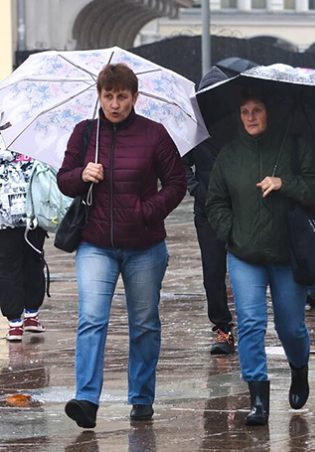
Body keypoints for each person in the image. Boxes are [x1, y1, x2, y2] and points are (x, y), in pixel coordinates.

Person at [57, 63, 186, 428]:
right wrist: (82, 175)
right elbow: (64, 180)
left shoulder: (154, 134)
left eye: (122, 96)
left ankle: (142, 397)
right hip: (95, 244)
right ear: (98, 96)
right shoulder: (84, 133)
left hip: (145, 246)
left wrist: (148, 211)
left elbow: (176, 182)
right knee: (91, 319)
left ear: (134, 97)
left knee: (144, 323)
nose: (115, 104)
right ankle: (86, 399)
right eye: (108, 96)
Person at [206, 91, 315, 426]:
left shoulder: (294, 146)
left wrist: (284, 183)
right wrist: (231, 231)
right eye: (244, 111)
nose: (250, 117)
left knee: (290, 326)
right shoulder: (230, 154)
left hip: (287, 253)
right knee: (249, 323)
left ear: (269, 113)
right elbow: (214, 201)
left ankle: (299, 368)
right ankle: (258, 399)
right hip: (244, 253)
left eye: (256, 110)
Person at [182, 68, 236, 355]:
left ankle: (250, 326)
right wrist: (196, 189)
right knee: (212, 273)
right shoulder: (194, 129)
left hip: (241, 209)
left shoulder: (239, 123)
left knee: (245, 270)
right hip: (206, 211)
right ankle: (222, 329)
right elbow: (182, 164)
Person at [0, 151, 47, 341]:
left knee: (34, 262)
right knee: (9, 266)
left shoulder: (34, 132)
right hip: (4, 217)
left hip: (34, 212)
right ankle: (15, 323)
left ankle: (31, 315)